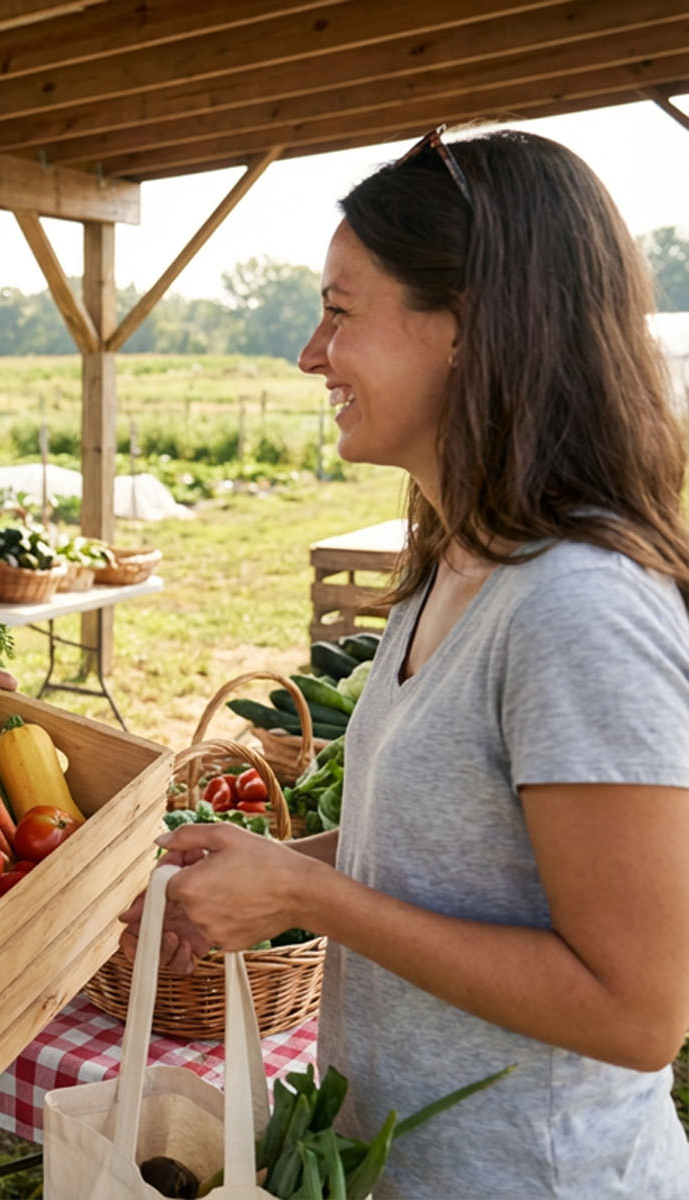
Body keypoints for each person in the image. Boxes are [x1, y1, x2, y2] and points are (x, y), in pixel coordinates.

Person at [124, 127, 689, 1197]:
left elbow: (637, 1011)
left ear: (467, 327)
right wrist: (270, 876)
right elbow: (454, 852)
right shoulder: (452, 564)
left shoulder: (580, 607)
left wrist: (313, 896)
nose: (308, 354)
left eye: (340, 311)